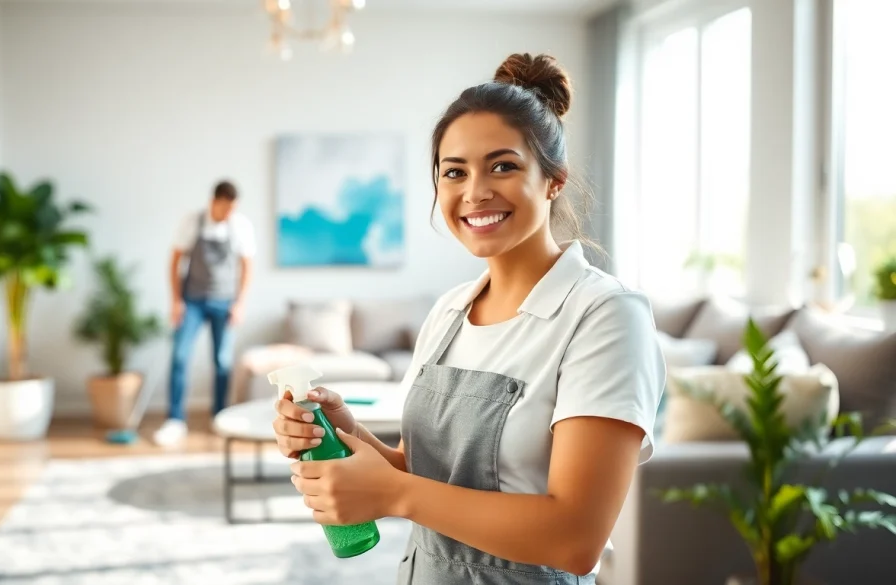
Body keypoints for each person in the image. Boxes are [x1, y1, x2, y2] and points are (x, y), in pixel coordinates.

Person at [272, 53, 665, 584]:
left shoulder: (604, 316)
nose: (475, 191)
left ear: (553, 180)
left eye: (502, 165)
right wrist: (350, 435)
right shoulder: (449, 313)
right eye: (454, 172)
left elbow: (575, 536)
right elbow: (427, 473)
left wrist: (394, 493)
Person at [153, 180, 256, 447]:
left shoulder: (240, 226)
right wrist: (176, 301)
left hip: (225, 301)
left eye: (233, 209)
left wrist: (240, 303)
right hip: (193, 301)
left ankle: (219, 416)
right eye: (225, 208)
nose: (229, 213)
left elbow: (247, 266)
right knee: (180, 356)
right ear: (214, 202)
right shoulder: (192, 222)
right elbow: (175, 260)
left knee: (222, 362)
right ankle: (175, 419)